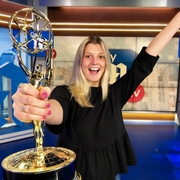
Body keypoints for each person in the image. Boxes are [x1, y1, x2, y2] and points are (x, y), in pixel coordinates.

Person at [12, 11, 180, 180]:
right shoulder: (66, 92)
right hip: (76, 173)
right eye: (88, 56)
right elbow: (56, 110)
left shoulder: (116, 93)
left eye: (100, 57)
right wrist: (39, 108)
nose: (94, 62)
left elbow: (145, 61)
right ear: (80, 62)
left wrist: (176, 21)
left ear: (106, 62)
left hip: (109, 171)